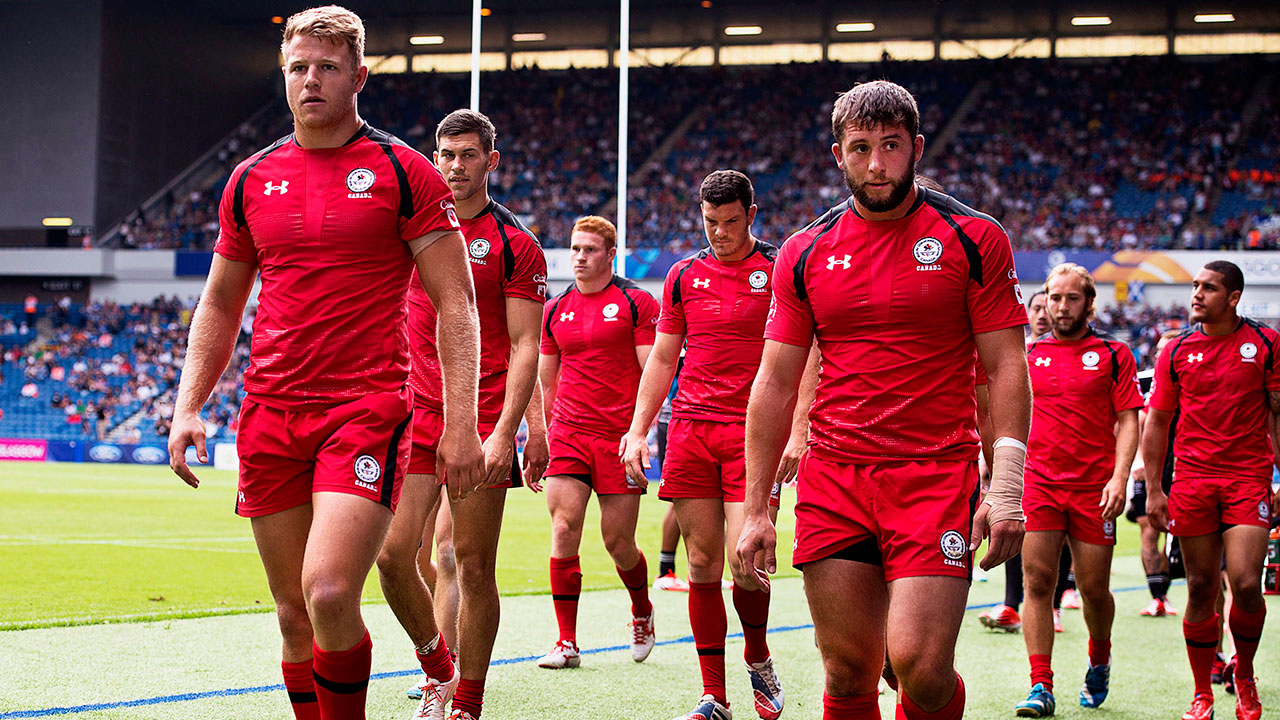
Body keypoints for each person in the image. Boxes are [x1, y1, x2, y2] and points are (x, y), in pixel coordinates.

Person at [167, 7, 483, 720]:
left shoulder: (405, 172)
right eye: (298, 67)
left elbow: (457, 306)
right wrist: (188, 406)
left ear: (359, 75)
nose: (311, 80)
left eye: (327, 67)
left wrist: (460, 423)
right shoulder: (249, 179)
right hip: (270, 414)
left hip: (366, 408)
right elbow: (219, 304)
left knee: (332, 591)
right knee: (292, 616)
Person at [737, 80, 1031, 720]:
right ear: (837, 155)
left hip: (934, 475)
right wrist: (757, 506)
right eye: (861, 147)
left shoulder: (974, 239)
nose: (876, 164)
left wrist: (1007, 483)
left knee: (920, 671)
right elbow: (774, 383)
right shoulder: (803, 252)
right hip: (834, 477)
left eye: (891, 146)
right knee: (847, 674)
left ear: (917, 148)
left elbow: (1007, 365)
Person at [376, 109, 547, 720]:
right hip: (414, 410)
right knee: (395, 556)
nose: (455, 166)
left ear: (490, 162)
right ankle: (436, 666)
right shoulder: (410, 229)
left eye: (468, 155)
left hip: (480, 418)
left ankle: (465, 701)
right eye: (446, 155)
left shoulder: (514, 244)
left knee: (471, 563)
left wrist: (513, 429)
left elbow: (529, 344)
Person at [621, 170, 806, 720]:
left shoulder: (778, 271)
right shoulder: (681, 276)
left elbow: (811, 347)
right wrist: (637, 428)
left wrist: (799, 428)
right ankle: (713, 696)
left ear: (752, 215)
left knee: (745, 562)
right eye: (710, 222)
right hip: (691, 430)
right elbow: (661, 356)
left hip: (755, 436)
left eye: (730, 222)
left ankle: (757, 656)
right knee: (701, 561)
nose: (720, 233)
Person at [1144, 260, 1278, 720]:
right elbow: (1157, 421)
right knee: (1200, 586)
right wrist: (1156, 490)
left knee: (1244, 582)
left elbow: (1276, 413)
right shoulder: (1176, 349)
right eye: (1195, 286)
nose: (1196, 294)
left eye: (1208, 288)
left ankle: (1244, 675)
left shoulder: (1265, 344)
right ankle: (1202, 691)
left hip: (1248, 478)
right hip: (1193, 480)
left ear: (1234, 297)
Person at [1011, 264, 1142, 717]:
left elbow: (1130, 418)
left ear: (1090, 304)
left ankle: (1099, 656)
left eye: (1071, 298)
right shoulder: (1027, 356)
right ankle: (1039, 685)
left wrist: (1120, 477)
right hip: (1040, 485)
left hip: (1094, 490)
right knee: (1037, 581)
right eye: (1053, 297)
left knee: (1093, 590)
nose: (1060, 306)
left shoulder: (1114, 353)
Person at [537, 215, 660, 669]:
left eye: (590, 250)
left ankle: (642, 611)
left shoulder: (636, 302)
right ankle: (566, 642)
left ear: (611, 254)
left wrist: (639, 432)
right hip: (569, 434)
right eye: (575, 249)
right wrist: (548, 435)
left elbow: (654, 371)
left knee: (617, 542)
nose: (580, 258)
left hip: (619, 438)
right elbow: (547, 379)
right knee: (564, 528)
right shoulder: (555, 309)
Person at [979, 290, 1076, 636]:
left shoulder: (1072, 354)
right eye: (1035, 307)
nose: (1042, 314)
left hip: (1064, 467)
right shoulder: (1015, 356)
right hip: (1023, 463)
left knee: (1056, 539)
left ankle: (1053, 605)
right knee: (1009, 525)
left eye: (1044, 307)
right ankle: (1009, 603)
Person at [1129, 329, 1182, 618]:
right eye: (1159, 349)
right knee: (1149, 528)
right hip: (1150, 467)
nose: (1161, 354)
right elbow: (1133, 418)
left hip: (1185, 466)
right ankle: (1158, 597)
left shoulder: (1192, 378)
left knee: (1180, 534)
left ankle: (1169, 590)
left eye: (1167, 349)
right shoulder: (1146, 379)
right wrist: (1137, 458)